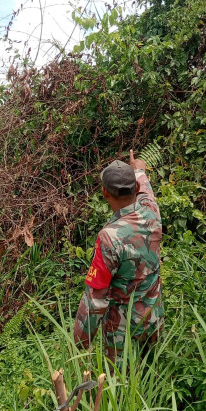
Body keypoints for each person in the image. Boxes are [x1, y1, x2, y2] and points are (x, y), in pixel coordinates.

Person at [73, 150, 164, 363]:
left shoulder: (109, 238)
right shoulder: (152, 211)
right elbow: (145, 188)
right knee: (152, 378)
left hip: (122, 335)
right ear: (137, 188)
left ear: (105, 193)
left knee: (121, 390)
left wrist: (79, 346)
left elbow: (95, 300)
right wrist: (138, 169)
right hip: (153, 320)